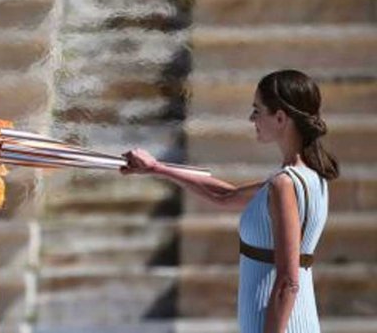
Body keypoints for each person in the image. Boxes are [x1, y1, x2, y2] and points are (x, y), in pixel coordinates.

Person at [121, 69, 338, 333]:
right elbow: (224, 195)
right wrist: (156, 168)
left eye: (257, 111)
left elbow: (287, 281)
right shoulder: (309, 179)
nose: (251, 118)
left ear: (280, 118)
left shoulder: (285, 184)